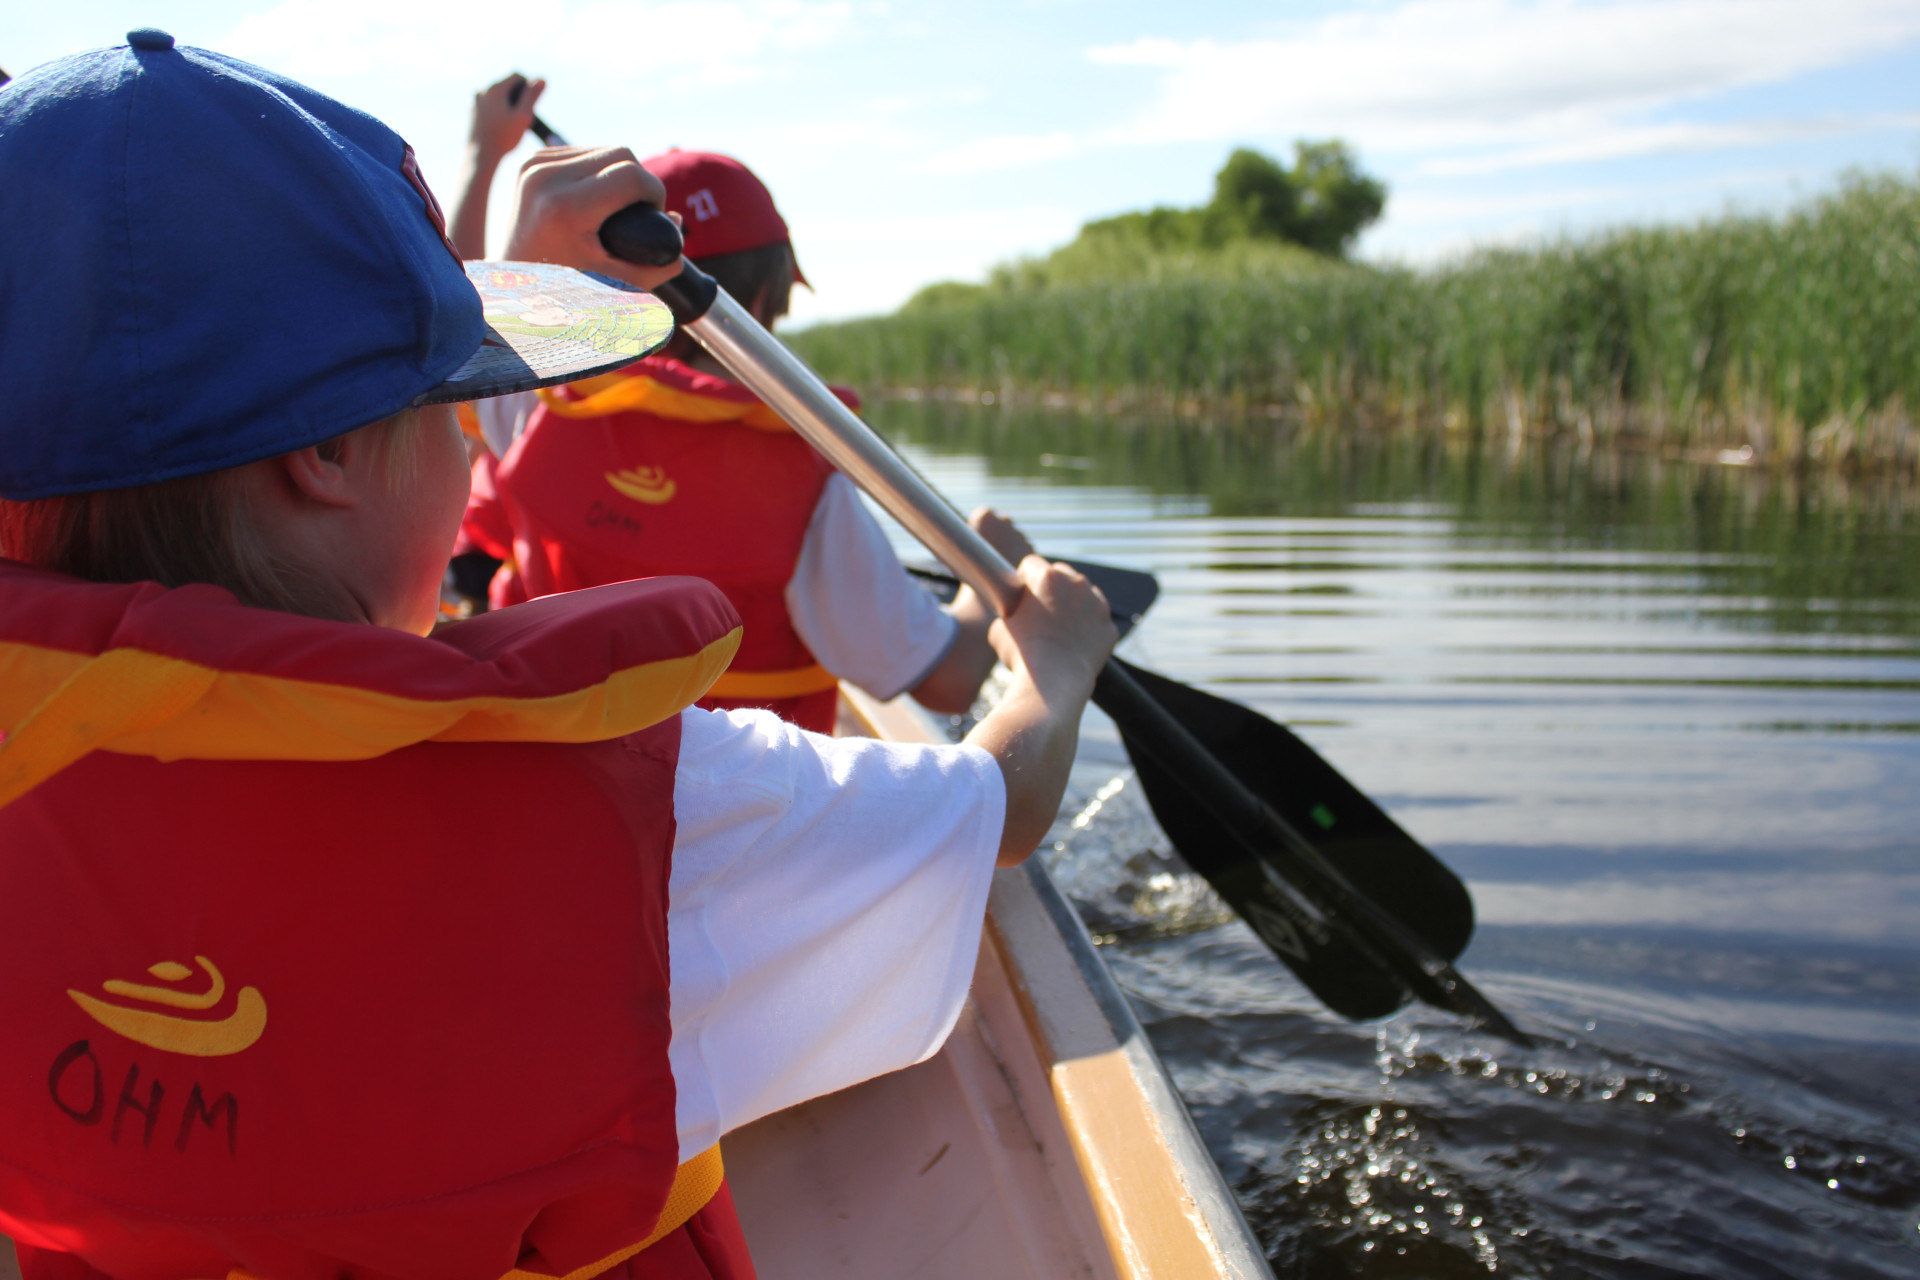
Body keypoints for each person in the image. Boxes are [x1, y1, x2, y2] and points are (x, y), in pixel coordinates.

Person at [0, 33, 1115, 1280]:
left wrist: (468, 278)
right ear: (323, 456)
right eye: (448, 404)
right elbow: (1001, 803)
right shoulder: (667, 794)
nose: (478, 446)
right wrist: (1055, 665)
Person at [449, 87, 1023, 732]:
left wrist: (485, 152)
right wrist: (989, 591)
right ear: (765, 294)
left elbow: (465, 307)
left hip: (555, 757)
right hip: (732, 817)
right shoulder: (808, 482)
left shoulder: (546, 407)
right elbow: (946, 680)